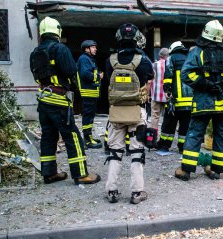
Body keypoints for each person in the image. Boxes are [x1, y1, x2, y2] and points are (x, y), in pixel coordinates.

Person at [174, 20, 223, 181]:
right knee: (222, 135)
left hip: (203, 102)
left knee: (194, 134)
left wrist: (205, 84)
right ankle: (216, 170)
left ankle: (186, 170)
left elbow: (186, 74)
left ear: (205, 32)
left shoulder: (196, 52)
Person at [29, 17, 100, 184]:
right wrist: (74, 90)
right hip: (58, 100)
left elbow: (36, 75)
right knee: (73, 136)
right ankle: (81, 174)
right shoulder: (59, 48)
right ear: (58, 31)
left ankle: (49, 173)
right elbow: (71, 71)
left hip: (43, 100)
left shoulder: (36, 52)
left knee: (48, 136)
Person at [105, 23, 154, 204]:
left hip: (116, 113)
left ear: (119, 37)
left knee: (114, 151)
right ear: (137, 38)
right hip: (137, 111)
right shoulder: (144, 60)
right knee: (137, 152)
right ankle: (136, 192)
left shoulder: (109, 60)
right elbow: (150, 78)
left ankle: (111, 191)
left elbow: (106, 86)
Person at [156, 41, 192, 153]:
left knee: (169, 123)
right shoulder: (189, 58)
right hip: (189, 101)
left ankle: (164, 145)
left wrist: (167, 91)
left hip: (175, 100)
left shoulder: (171, 59)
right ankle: (183, 147)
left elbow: (168, 77)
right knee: (185, 125)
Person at [77, 40, 103, 149]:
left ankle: (89, 137)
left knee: (90, 117)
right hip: (87, 93)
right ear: (86, 49)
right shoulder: (84, 59)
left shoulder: (88, 59)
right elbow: (85, 74)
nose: (95, 49)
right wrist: (98, 76)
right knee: (87, 117)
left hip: (91, 93)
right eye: (93, 47)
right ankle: (87, 140)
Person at [150, 48, 169, 132]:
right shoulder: (170, 65)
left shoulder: (153, 65)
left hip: (156, 95)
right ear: (167, 56)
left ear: (160, 55)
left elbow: (149, 80)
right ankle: (165, 135)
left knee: (155, 116)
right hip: (168, 95)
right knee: (169, 116)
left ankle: (154, 136)